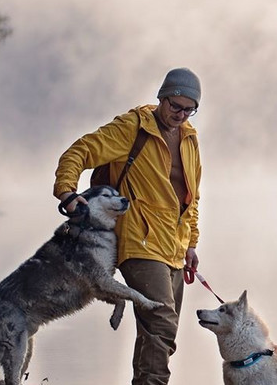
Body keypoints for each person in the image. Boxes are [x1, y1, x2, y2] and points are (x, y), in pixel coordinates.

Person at [53, 67, 203, 385]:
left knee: (157, 332)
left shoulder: (190, 139)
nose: (180, 114)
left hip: (174, 247)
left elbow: (191, 198)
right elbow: (79, 151)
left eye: (189, 109)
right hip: (138, 241)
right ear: (162, 97)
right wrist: (67, 192)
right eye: (175, 106)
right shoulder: (132, 127)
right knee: (161, 322)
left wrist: (191, 243)